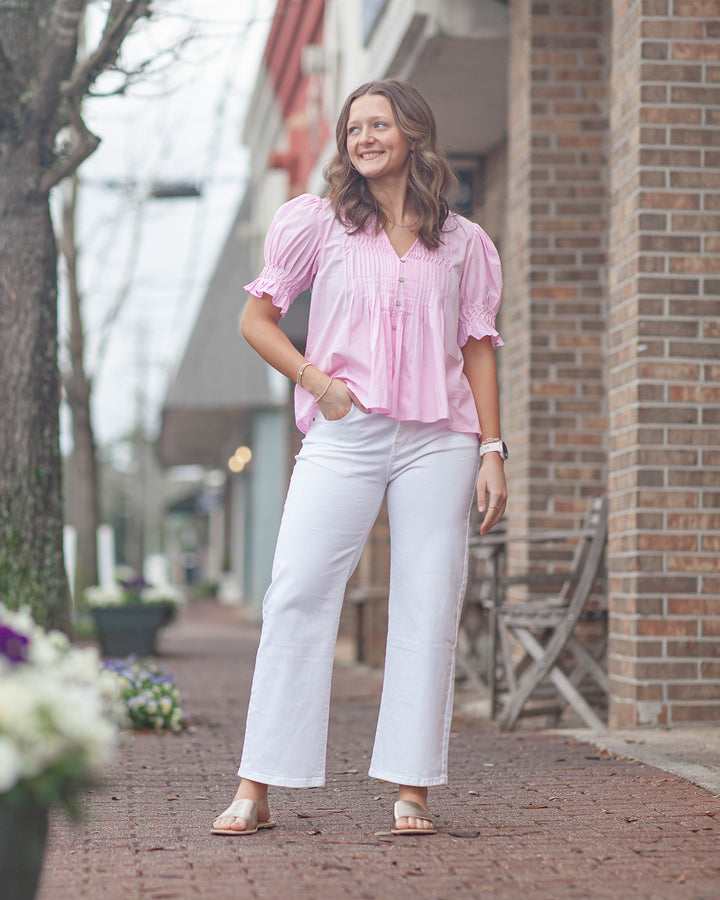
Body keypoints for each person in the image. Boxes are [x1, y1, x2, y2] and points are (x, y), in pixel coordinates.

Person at [211, 79, 507, 838]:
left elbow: (478, 347)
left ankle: (413, 787)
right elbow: (256, 319)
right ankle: (257, 783)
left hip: (440, 439)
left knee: (428, 601)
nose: (364, 138)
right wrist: (318, 383)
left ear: (413, 134)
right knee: (297, 590)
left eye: (379, 125)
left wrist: (492, 449)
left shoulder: (463, 242)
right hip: (345, 432)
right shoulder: (319, 224)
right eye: (353, 129)